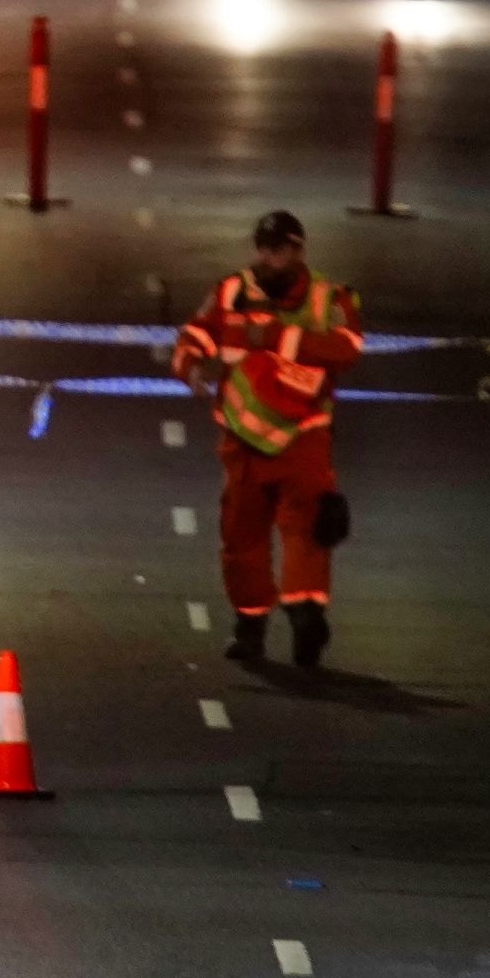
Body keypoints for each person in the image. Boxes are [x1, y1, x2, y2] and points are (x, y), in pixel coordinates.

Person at [169, 211, 365, 667]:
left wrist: (278, 337)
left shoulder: (329, 297)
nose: (274, 257)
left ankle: (305, 617)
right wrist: (190, 364)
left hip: (304, 437)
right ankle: (250, 624)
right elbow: (197, 333)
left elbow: (347, 348)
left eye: (285, 249)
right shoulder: (230, 292)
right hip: (243, 441)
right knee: (241, 537)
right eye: (268, 248)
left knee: (308, 531)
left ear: (300, 251)